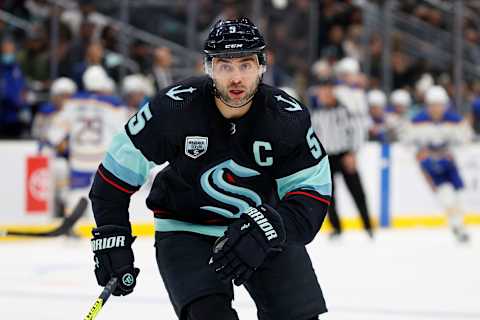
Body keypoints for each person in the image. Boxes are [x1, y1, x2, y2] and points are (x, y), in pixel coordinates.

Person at [88, 18, 332, 320]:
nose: (236, 78)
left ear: (262, 66)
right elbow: (112, 180)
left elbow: (313, 198)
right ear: (208, 67)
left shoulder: (287, 117)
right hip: (187, 230)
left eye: (245, 65)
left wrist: (270, 226)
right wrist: (113, 237)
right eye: (225, 66)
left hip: (263, 228)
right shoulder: (173, 108)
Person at [48, 66, 127, 216]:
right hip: (104, 161)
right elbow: (125, 133)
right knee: (104, 197)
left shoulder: (72, 102)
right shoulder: (114, 104)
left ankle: (71, 223)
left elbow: (54, 134)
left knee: (76, 193)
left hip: (79, 158)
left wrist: (60, 144)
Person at [403, 86, 473, 242]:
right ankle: (457, 226)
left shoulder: (455, 121)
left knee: (459, 194)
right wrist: (419, 153)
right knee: (446, 195)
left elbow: (466, 140)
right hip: (430, 165)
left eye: (439, 105)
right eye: (433, 105)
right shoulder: (417, 121)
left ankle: (459, 224)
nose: (436, 109)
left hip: (450, 163)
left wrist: (452, 152)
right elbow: (406, 142)